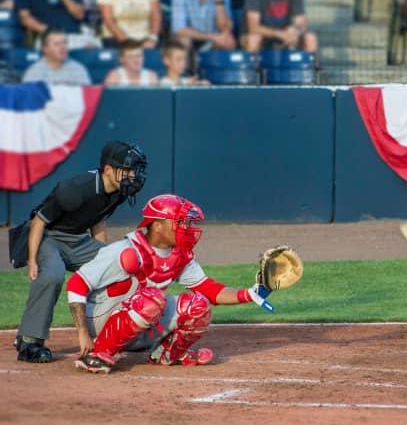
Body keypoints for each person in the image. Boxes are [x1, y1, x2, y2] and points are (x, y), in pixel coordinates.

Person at [70, 194, 277, 373]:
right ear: (158, 226)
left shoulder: (179, 255)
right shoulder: (125, 251)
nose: (187, 228)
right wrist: (83, 333)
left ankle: (166, 355)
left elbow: (209, 290)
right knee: (153, 299)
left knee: (198, 305)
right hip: (99, 318)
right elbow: (77, 284)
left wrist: (251, 294)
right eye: (180, 222)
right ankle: (98, 353)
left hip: (140, 313)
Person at [12, 141, 146, 363]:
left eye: (134, 169)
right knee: (52, 275)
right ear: (109, 170)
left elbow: (98, 221)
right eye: (128, 169)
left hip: (78, 240)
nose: (133, 175)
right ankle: (29, 342)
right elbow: (38, 222)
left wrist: (105, 258)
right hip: (49, 237)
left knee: (121, 265)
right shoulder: (75, 189)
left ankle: (119, 331)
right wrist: (33, 260)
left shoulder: (118, 190)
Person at [22, 28, 91, 85]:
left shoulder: (78, 69)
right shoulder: (34, 72)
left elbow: (86, 96)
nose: (63, 47)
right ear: (45, 49)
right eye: (57, 44)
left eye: (64, 43)